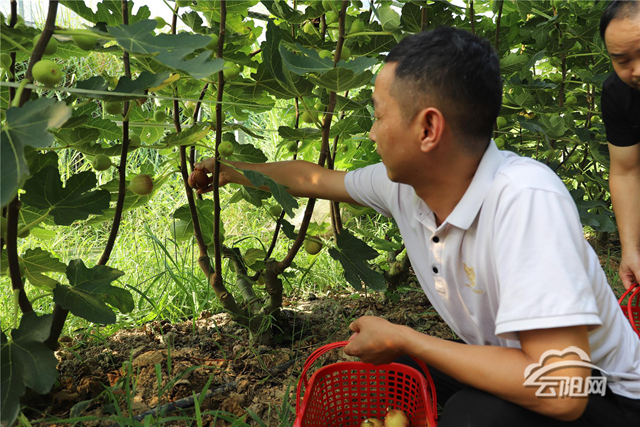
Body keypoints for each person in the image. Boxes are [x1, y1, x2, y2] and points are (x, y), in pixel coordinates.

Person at [195, 27, 640, 426]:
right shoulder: (405, 188)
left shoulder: (524, 199)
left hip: (607, 395)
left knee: (474, 416)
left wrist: (407, 337)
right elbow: (313, 179)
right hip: (517, 364)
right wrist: (234, 170)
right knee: (389, 372)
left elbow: (563, 390)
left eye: (379, 114)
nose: (372, 132)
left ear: (428, 128)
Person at [600, 0, 640, 291]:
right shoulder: (617, 93)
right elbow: (627, 171)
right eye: (623, 60)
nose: (637, 71)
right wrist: (631, 249)